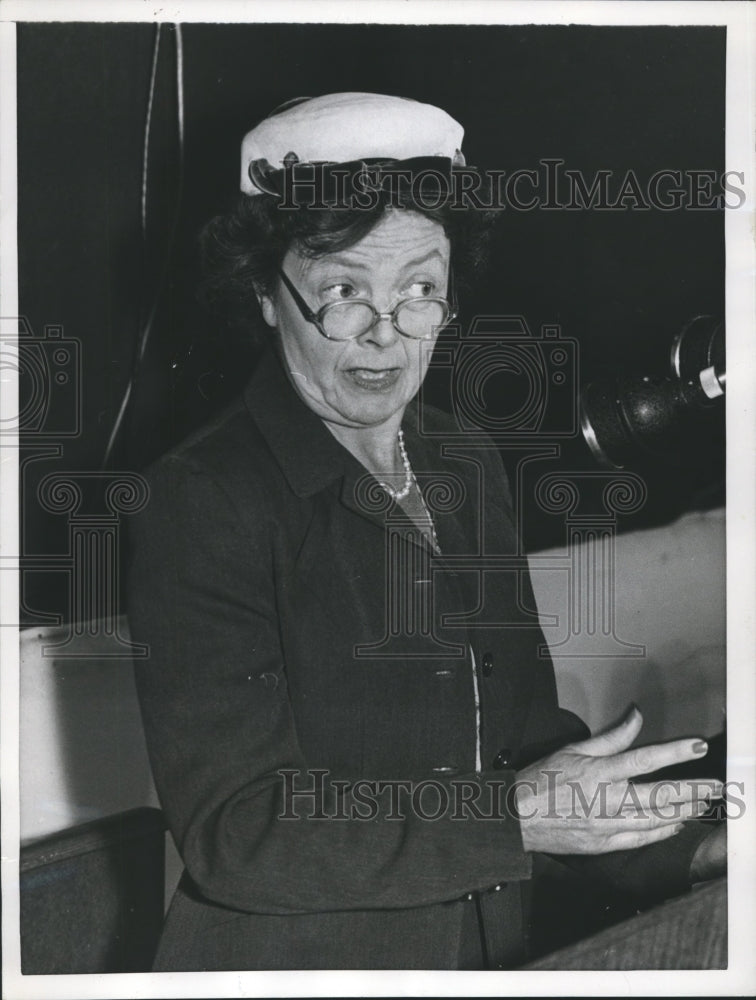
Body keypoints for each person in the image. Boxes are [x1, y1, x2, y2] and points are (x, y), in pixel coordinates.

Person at [127, 92, 725, 971]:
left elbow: (522, 739)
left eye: (420, 291)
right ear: (265, 292)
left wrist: (686, 854)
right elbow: (239, 830)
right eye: (342, 291)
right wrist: (513, 818)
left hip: (483, 952)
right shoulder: (200, 499)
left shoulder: (460, 459)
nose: (386, 335)